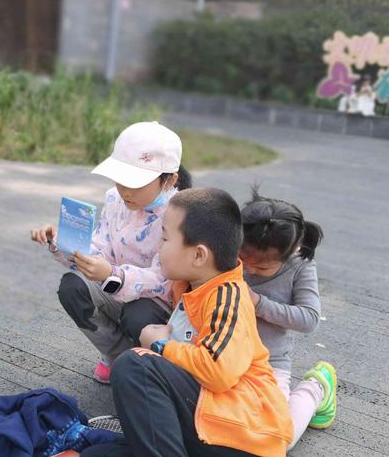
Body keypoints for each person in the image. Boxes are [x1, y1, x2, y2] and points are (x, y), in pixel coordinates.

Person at [83, 188, 292, 457]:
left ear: (199, 255)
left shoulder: (227, 297)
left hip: (242, 436)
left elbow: (217, 370)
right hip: (207, 421)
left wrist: (161, 345)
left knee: (135, 364)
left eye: (165, 238)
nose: (159, 246)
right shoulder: (192, 285)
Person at [31, 121, 191, 383]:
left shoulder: (179, 215)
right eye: (120, 179)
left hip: (156, 304)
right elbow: (100, 247)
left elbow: (164, 279)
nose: (125, 190)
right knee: (73, 287)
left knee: (138, 315)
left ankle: (152, 366)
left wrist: (114, 275)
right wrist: (61, 242)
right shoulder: (115, 199)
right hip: (113, 284)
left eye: (136, 183)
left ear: (169, 180)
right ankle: (119, 355)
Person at [240, 191, 336, 449]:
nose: (248, 269)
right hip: (223, 354)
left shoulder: (300, 265)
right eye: (242, 259)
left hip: (270, 363)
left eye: (261, 268)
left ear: (291, 251)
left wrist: (259, 303)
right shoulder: (229, 248)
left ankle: (316, 388)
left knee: (278, 440)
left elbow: (309, 319)